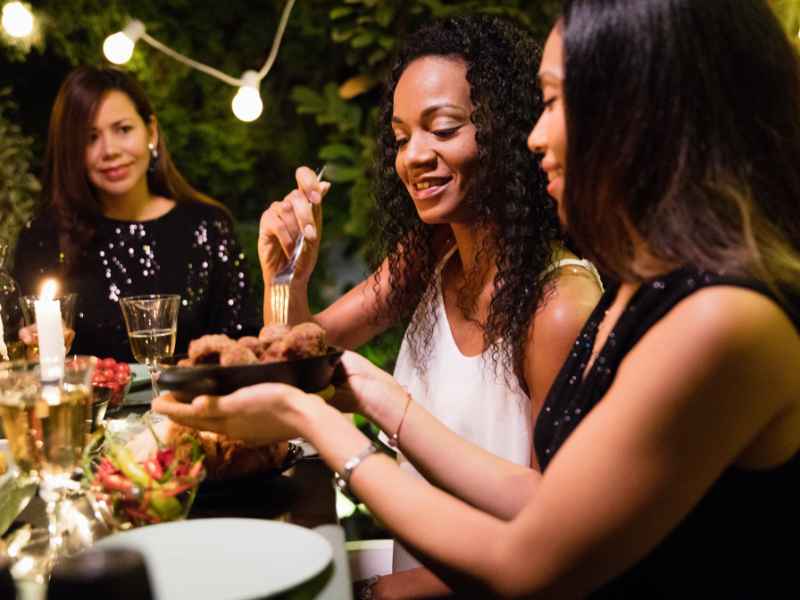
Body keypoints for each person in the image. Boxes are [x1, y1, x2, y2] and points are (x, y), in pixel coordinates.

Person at [158, 0, 800, 596]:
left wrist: (314, 421)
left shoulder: (724, 317)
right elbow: (543, 503)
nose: (534, 136)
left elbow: (531, 561)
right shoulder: (651, 286)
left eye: (552, 103)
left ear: (643, 112)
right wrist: (363, 387)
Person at [257, 15, 601, 597]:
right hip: (410, 561)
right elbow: (299, 357)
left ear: (510, 129)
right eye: (400, 137)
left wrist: (388, 592)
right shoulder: (429, 257)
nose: (414, 156)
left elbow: (565, 543)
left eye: (443, 129)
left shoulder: (559, 305)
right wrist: (285, 276)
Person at [13, 66, 254, 362]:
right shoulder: (44, 237)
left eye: (123, 129)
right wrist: (34, 346)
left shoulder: (208, 226)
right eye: (90, 138)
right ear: (72, 151)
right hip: (88, 407)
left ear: (151, 132)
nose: (109, 150)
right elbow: (20, 356)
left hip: (198, 405)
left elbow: (245, 343)